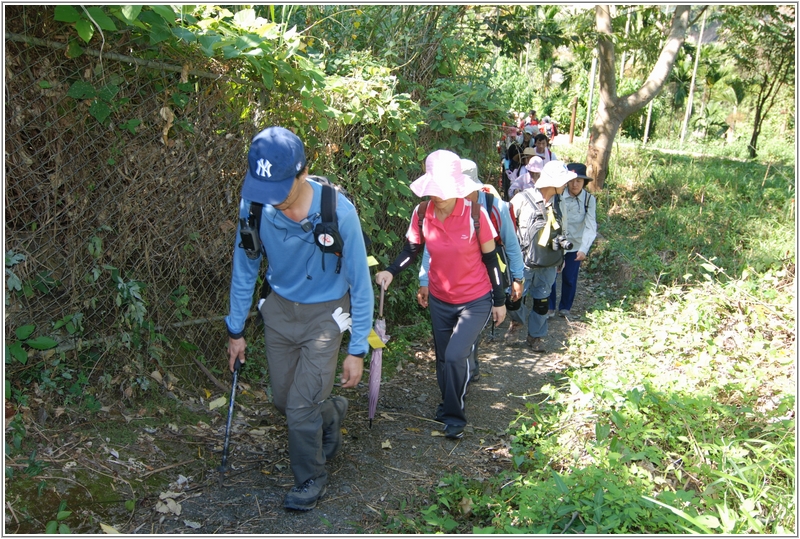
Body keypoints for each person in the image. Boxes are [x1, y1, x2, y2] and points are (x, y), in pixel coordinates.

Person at [225, 126, 373, 511]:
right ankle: (333, 411)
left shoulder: (337, 211)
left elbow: (360, 281)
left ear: (302, 173)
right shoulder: (255, 204)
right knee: (284, 400)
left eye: (280, 190)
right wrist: (235, 329)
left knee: (300, 406)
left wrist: (357, 349)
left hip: (327, 314)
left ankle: (310, 477)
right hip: (279, 311)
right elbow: (244, 268)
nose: (271, 199)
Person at [375, 150, 507, 440]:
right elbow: (412, 251)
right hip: (439, 297)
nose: (436, 196)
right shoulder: (423, 213)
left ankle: (454, 416)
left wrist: (499, 301)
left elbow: (492, 259)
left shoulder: (475, 214)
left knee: (456, 354)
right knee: (443, 358)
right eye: (433, 189)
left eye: (442, 190)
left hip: (476, 299)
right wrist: (391, 271)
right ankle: (448, 402)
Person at [418, 158, 524, 382]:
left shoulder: (496, 207)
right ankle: (463, 369)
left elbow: (511, 245)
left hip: (486, 279)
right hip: (451, 284)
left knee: (467, 332)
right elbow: (431, 246)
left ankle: (467, 367)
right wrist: (424, 279)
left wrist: (518, 278)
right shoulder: (439, 209)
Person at [509, 160, 575, 352]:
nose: (566, 185)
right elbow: (507, 229)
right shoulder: (522, 199)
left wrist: (561, 256)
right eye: (563, 181)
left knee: (542, 301)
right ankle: (517, 322)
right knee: (513, 300)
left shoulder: (560, 203)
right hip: (524, 262)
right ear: (552, 182)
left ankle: (535, 336)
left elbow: (565, 230)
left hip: (549, 261)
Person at [548, 163, 597, 318]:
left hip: (575, 245)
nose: (575, 184)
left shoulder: (589, 200)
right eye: (572, 180)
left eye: (579, 181)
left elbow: (590, 226)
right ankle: (549, 307)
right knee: (551, 277)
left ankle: (565, 307)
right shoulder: (558, 196)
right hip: (556, 244)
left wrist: (584, 249)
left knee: (570, 277)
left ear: (584, 183)